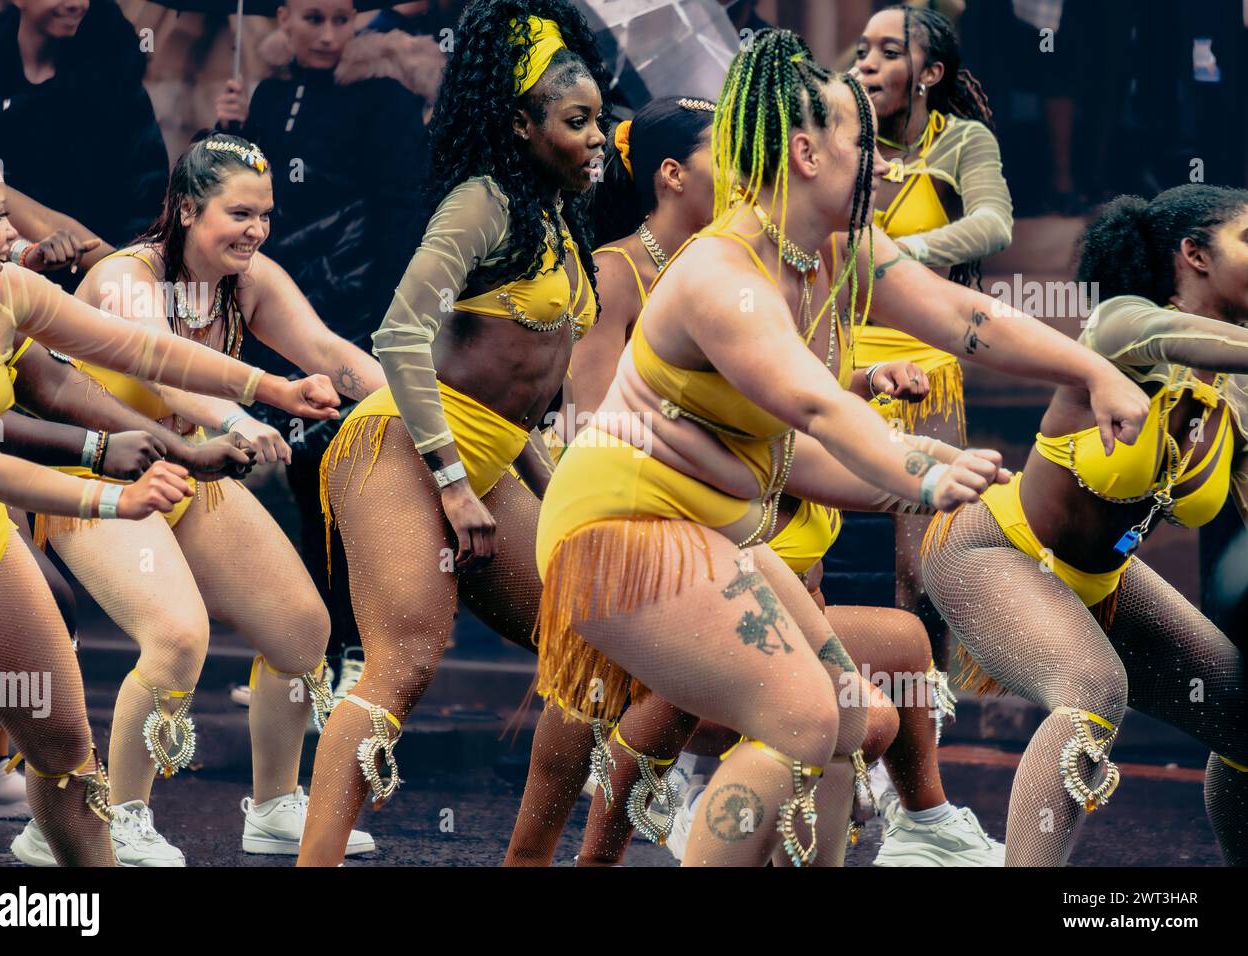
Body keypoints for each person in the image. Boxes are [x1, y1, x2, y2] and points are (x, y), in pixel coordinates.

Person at [530, 27, 1147, 866]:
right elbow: (819, 411)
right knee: (804, 715)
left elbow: (966, 319)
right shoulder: (724, 277)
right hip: (622, 532)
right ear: (808, 152)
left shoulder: (837, 249)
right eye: (864, 141)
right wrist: (923, 473)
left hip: (717, 533)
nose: (884, 163)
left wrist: (1089, 370)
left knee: (856, 718)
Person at [0, 134, 338, 864]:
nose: (19, 233)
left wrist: (278, 390)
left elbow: (149, 354)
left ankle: (264, 807)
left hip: (122, 487)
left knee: (297, 630)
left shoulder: (4, 293)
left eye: (266, 214)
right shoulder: (131, 274)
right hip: (82, 488)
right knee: (165, 638)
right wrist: (129, 484)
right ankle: (118, 813)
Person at [296, 0, 609, 868]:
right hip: (400, 443)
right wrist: (453, 482)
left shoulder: (557, 218)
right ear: (519, 122)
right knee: (407, 657)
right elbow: (398, 336)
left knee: (589, 642)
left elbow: (512, 406)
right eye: (576, 121)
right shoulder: (482, 201)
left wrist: (566, 494)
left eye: (600, 119)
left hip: (491, 461)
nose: (596, 138)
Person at [921, 185, 1248, 866]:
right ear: (1194, 255)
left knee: (1242, 714)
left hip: (1105, 579)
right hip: (995, 551)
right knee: (1094, 688)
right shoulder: (1123, 325)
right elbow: (1168, 335)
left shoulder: (1234, 389)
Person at [213, 0, 431, 689]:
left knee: (340, 477)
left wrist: (391, 318)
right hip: (278, 307)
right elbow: (248, 201)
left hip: (352, 313)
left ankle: (357, 646)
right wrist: (230, 129)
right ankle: (304, 654)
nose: (331, 35)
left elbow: (401, 210)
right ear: (282, 17)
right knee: (290, 476)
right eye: (313, 19)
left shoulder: (385, 95)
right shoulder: (270, 92)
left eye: (342, 19)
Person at [849, 4, 1012, 678]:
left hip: (923, 367)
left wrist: (895, 253)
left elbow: (992, 226)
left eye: (889, 51)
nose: (868, 62)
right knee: (815, 554)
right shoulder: (836, 134)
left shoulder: (961, 141)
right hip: (830, 364)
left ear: (930, 72)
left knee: (918, 570)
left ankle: (919, 744)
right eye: (863, 49)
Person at [0, 0, 169, 251]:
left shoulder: (117, 84)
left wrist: (114, 271)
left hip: (88, 275)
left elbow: (146, 199)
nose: (77, 4)